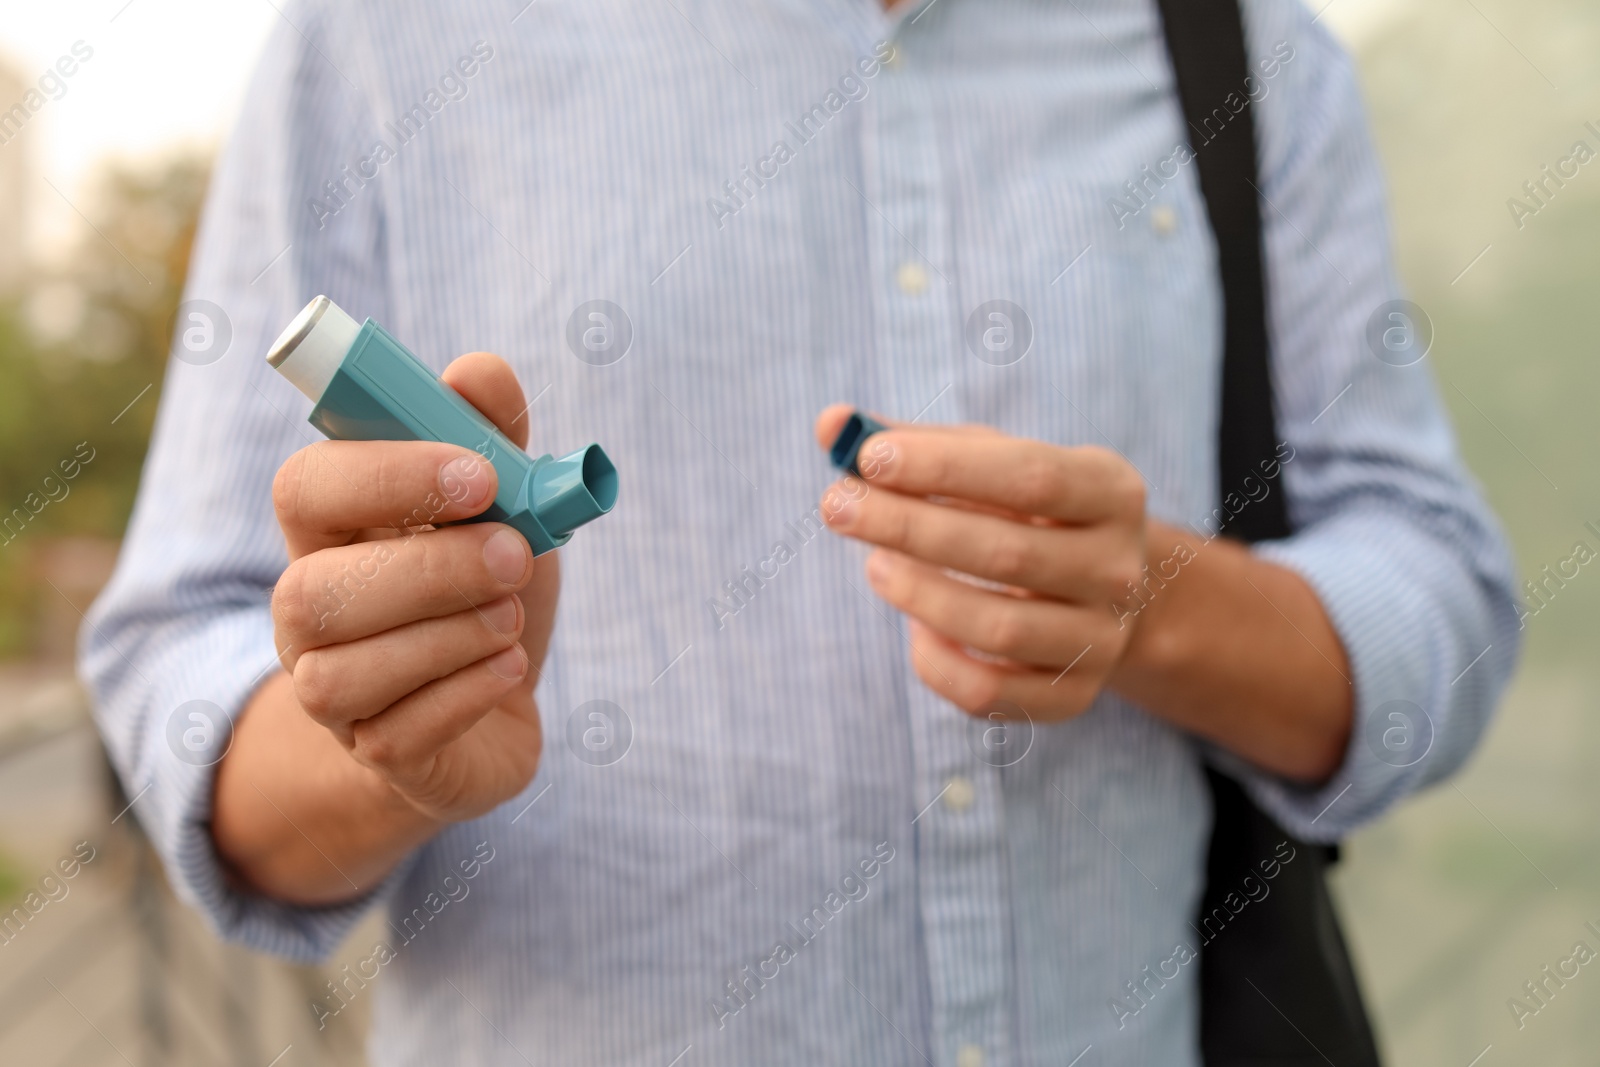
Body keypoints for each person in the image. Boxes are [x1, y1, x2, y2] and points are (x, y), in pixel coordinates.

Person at [81, 0, 1521, 1063]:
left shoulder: (1245, 47)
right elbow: (176, 678)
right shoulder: (381, 39)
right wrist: (386, 743)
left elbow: (1441, 596)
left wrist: (1154, 606)